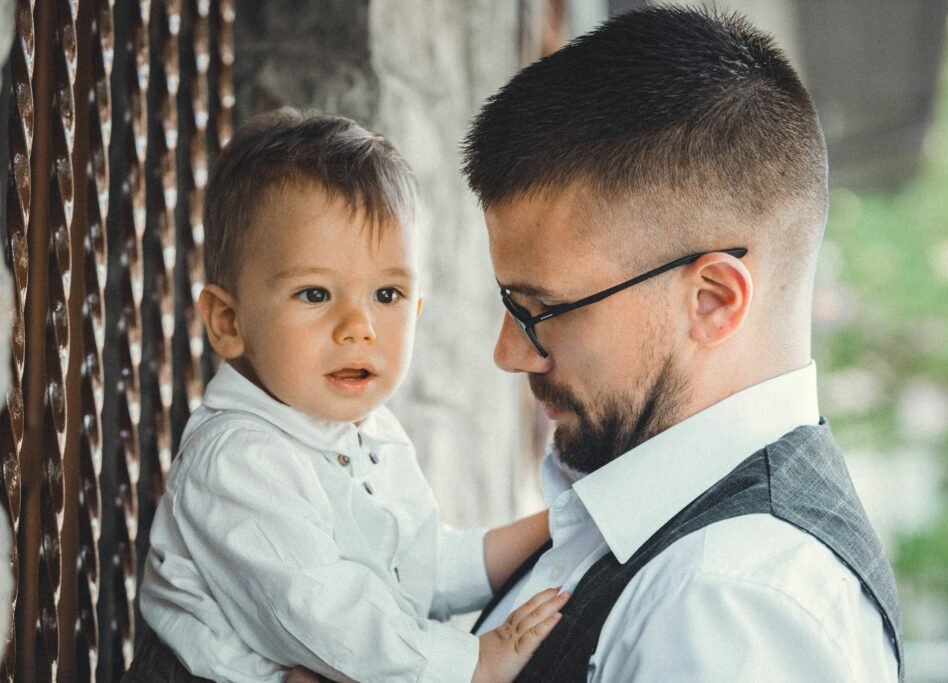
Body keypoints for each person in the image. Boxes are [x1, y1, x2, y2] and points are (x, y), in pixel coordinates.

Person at [461, 6, 903, 682]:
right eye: (509, 303)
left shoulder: (729, 603)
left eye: (543, 308)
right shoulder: (652, 531)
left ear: (713, 300)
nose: (512, 352)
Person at [125, 109, 567, 683]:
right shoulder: (239, 459)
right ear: (229, 322)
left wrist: (553, 526)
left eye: (387, 294)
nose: (358, 327)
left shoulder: (372, 433)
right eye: (315, 293)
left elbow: (421, 569)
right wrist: (474, 662)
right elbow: (325, 614)